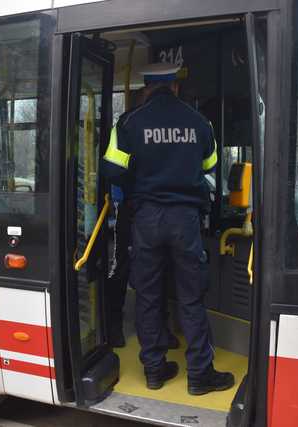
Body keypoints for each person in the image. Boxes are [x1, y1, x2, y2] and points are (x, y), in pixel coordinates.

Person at [101, 63, 234, 395]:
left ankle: (155, 371)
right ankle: (200, 375)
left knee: (148, 295)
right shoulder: (199, 122)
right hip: (185, 219)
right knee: (191, 297)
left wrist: (140, 179)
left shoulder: (129, 122)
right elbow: (210, 165)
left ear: (147, 88)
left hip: (146, 218)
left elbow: (112, 171)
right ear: (174, 86)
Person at [107, 89, 180, 351]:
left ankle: (154, 330)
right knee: (125, 268)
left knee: (149, 270)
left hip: (141, 207)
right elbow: (114, 171)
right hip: (129, 206)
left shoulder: (132, 124)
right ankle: (115, 326)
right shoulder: (129, 124)